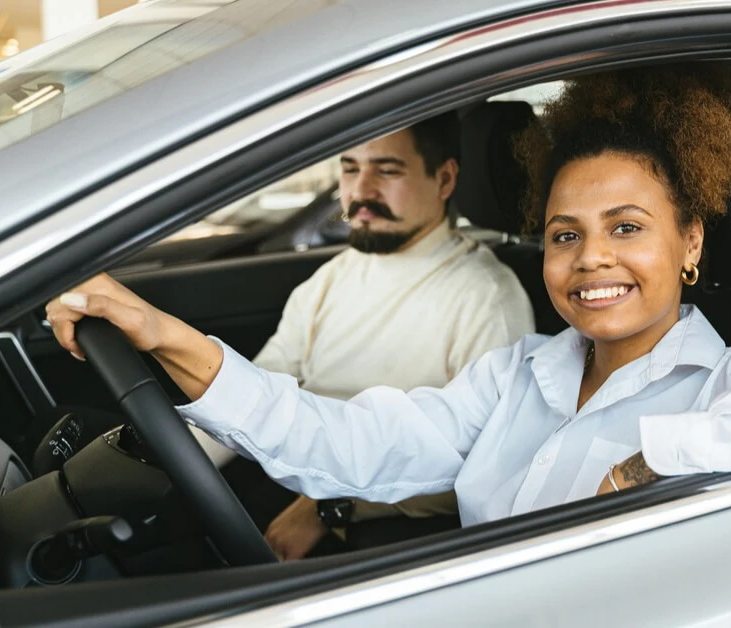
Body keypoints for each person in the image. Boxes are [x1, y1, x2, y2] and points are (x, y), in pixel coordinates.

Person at [45, 65, 731, 548]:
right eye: (566, 235)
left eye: (627, 228)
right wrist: (166, 337)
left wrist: (651, 462)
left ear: (689, 244)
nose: (591, 259)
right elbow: (347, 445)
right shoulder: (517, 376)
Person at [204, 113, 535, 559]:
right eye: (350, 168)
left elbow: (485, 465)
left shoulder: (487, 298)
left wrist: (329, 508)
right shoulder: (335, 275)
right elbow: (260, 386)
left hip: (374, 526)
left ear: (444, 179)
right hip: (289, 473)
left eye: (387, 170)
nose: (360, 191)